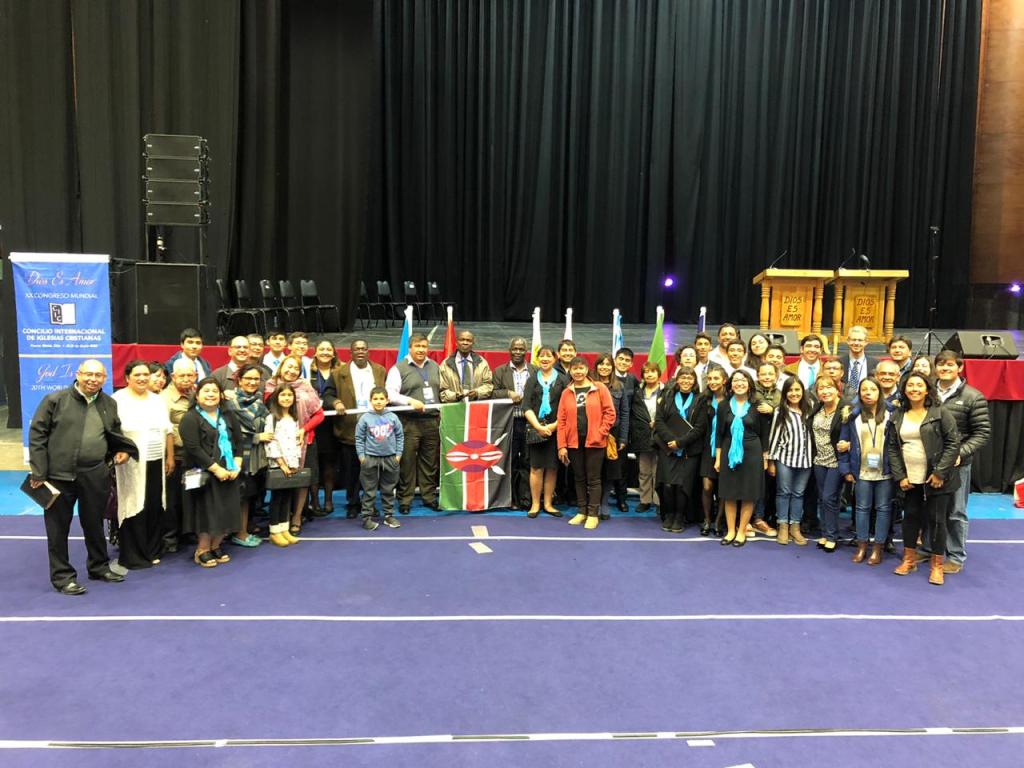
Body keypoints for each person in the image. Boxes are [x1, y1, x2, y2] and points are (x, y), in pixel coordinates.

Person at [29, 360, 137, 594]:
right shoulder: (55, 400)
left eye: (98, 375)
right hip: (58, 476)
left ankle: (98, 567)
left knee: (94, 524)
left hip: (95, 474)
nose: (93, 379)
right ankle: (63, 577)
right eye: (88, 374)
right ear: (78, 374)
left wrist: (122, 450)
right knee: (58, 529)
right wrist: (39, 471)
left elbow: (114, 432)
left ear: (105, 378)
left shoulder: (109, 403)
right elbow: (37, 435)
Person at [888, 372, 961, 585]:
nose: (914, 389)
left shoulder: (940, 413)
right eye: (910, 385)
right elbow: (892, 448)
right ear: (904, 390)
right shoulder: (898, 415)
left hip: (936, 479)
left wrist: (940, 473)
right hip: (910, 479)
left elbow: (953, 444)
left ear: (927, 389)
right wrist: (900, 476)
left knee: (937, 520)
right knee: (910, 517)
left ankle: (936, 566)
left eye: (919, 385)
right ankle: (909, 560)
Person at [930, 349, 990, 573]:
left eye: (950, 365)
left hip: (958, 465)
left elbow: (982, 433)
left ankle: (955, 556)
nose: (944, 368)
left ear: (960, 367)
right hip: (929, 462)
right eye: (941, 364)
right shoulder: (928, 392)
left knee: (956, 511)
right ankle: (928, 550)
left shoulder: (973, 396)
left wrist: (959, 453)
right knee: (929, 509)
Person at [112, 360, 174, 570]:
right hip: (131, 463)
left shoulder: (157, 400)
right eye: (137, 375)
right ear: (127, 378)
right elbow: (113, 432)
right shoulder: (118, 399)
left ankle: (153, 549)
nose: (142, 378)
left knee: (154, 504)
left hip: (156, 461)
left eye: (146, 374)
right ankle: (134, 555)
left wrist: (170, 457)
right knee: (134, 504)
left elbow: (168, 430)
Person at [178, 378, 244, 567]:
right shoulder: (190, 418)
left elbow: (239, 441)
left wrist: (237, 464)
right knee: (206, 513)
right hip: (204, 473)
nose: (211, 395)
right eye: (206, 391)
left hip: (229, 471)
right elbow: (194, 448)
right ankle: (203, 549)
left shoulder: (228, 416)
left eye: (215, 391)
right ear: (197, 395)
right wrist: (216, 469)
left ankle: (216, 545)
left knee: (226, 510)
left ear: (221, 395)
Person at [264, 356, 325, 534]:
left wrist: (303, 430)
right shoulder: (270, 386)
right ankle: (280, 522)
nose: (292, 371)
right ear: (281, 366)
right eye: (288, 366)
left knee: (301, 481)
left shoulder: (305, 386)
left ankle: (297, 516)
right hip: (278, 443)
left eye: (296, 368)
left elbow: (319, 414)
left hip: (304, 441)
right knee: (282, 482)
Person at [838, 377, 894, 565]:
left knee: (883, 509)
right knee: (861, 509)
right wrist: (845, 469)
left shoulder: (893, 413)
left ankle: (878, 548)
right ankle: (862, 546)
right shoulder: (851, 415)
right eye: (864, 390)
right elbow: (843, 443)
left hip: (885, 471)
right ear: (859, 393)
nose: (868, 393)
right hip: (861, 470)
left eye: (872, 389)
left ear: (880, 392)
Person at [385, 332, 442, 513]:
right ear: (410, 348)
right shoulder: (398, 369)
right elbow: (390, 394)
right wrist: (409, 401)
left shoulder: (435, 366)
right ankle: (405, 500)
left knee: (430, 462)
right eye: (417, 346)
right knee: (407, 463)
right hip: (408, 422)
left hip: (432, 422)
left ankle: (429, 497)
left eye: (424, 346)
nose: (421, 350)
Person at [557, 357, 616, 530]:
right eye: (574, 369)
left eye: (581, 368)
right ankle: (581, 511)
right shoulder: (566, 392)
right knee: (579, 477)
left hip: (595, 441)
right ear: (570, 371)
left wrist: (601, 432)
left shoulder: (600, 388)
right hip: (574, 442)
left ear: (587, 369)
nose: (578, 371)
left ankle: (593, 514)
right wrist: (562, 445)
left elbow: (610, 413)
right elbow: (561, 420)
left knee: (594, 479)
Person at [332, 339, 387, 517]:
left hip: (375, 429)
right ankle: (353, 503)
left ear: (368, 351)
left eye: (364, 348)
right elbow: (329, 394)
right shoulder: (339, 373)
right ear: (351, 352)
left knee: (371, 470)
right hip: (350, 428)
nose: (361, 351)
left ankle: (369, 503)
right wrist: (336, 402)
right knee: (352, 470)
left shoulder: (379, 370)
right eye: (357, 349)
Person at [714, 370, 768, 546]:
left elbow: (764, 434)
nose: (739, 383)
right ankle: (730, 531)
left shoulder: (758, 405)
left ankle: (742, 531)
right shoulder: (723, 406)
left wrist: (765, 458)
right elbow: (719, 434)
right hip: (729, 452)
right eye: (736, 380)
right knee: (729, 493)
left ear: (750, 384)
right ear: (730, 385)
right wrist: (718, 458)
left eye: (743, 380)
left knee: (748, 494)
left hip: (752, 452)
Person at [654, 366, 707, 532]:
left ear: (694, 381)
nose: (686, 381)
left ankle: (679, 516)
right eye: (683, 377)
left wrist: (680, 443)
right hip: (668, 448)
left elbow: (700, 428)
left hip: (689, 451)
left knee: (683, 486)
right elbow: (659, 421)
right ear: (677, 380)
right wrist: (671, 440)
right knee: (668, 485)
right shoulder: (667, 397)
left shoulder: (700, 400)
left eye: (690, 378)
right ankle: (669, 514)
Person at [223, 363, 271, 547]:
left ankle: (244, 529)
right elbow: (232, 433)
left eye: (256, 379)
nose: (252, 382)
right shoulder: (230, 403)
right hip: (239, 457)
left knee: (250, 495)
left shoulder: (259, 401)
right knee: (240, 497)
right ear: (239, 380)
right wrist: (257, 437)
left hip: (257, 458)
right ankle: (238, 533)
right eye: (248, 378)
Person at [767, 377, 814, 546]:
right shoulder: (780, 411)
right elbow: (774, 437)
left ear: (803, 391)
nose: (794, 393)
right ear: (785, 393)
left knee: (798, 493)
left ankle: (795, 527)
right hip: (785, 458)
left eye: (797, 390)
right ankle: (783, 525)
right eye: (790, 390)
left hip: (806, 460)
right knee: (784, 492)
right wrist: (771, 462)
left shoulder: (810, 409)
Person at [522, 346, 567, 517]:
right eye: (542, 356)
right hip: (536, 430)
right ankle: (535, 504)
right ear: (537, 358)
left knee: (552, 468)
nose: (545, 359)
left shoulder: (563, 379)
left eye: (549, 356)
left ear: (555, 359)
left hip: (556, 429)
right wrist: (539, 427)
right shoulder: (532, 379)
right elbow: (526, 406)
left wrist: (553, 426)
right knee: (536, 468)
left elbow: (567, 408)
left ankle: (548, 504)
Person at [491, 337, 535, 509]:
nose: (518, 352)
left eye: (521, 349)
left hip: (530, 423)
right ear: (509, 351)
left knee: (528, 461)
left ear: (526, 351)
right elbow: (492, 393)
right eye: (515, 349)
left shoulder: (535, 370)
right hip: (509, 422)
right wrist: (508, 394)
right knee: (510, 461)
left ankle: (526, 498)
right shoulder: (500, 371)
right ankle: (512, 499)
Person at [161, 359, 198, 553]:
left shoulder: (198, 394)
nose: (186, 379)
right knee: (172, 500)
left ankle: (188, 531)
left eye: (190, 375)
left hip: (194, 457)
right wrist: (169, 457)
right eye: (181, 375)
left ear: (195, 376)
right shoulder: (163, 398)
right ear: (173, 377)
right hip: (174, 456)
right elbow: (164, 430)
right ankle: (170, 537)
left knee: (190, 497)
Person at [355, 387, 405, 530]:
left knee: (388, 489)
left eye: (382, 398)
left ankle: (389, 515)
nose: (378, 401)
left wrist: (398, 455)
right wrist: (362, 457)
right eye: (375, 399)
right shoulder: (365, 418)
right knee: (369, 490)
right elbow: (359, 438)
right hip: (370, 459)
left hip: (390, 459)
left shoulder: (393, 417)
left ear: (387, 400)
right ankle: (366, 518)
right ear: (370, 401)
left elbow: (400, 436)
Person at [264, 385, 304, 547]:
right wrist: (281, 463)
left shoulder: (294, 418)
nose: (286, 398)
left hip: (291, 463)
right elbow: (271, 442)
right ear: (276, 398)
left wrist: (295, 462)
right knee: (277, 498)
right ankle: (274, 531)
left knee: (287, 497)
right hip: (278, 464)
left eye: (289, 395)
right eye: (283, 395)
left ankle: (284, 528)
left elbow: (296, 442)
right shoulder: (272, 418)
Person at [592, 353, 630, 519]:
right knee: (594, 470)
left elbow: (625, 413)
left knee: (610, 471)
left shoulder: (619, 386)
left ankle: (604, 502)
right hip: (593, 433)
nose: (604, 367)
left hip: (613, 435)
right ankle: (594, 503)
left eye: (608, 364)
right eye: (601, 364)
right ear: (596, 366)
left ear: (612, 368)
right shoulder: (589, 384)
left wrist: (623, 438)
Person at [809, 376, 844, 552]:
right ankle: (825, 532)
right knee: (822, 498)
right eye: (821, 388)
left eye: (829, 387)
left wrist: (848, 444)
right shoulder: (817, 408)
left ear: (837, 389)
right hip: (819, 460)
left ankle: (832, 536)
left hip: (836, 461)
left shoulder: (845, 409)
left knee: (830, 498)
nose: (825, 391)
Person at [309, 339, 341, 515]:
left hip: (332, 423)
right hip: (312, 423)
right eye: (322, 349)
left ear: (334, 353)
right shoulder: (307, 370)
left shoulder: (341, 371)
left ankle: (329, 500)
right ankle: (314, 501)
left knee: (329, 463)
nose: (325, 352)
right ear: (315, 352)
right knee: (313, 463)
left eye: (329, 349)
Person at [629, 361, 664, 513]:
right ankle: (645, 500)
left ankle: (658, 501)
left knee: (658, 471)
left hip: (660, 436)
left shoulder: (666, 391)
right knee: (644, 471)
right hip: (641, 436)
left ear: (658, 373)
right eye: (646, 372)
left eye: (653, 371)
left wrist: (658, 423)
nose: (649, 374)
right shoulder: (638, 392)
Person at [699, 365, 728, 536]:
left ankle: (718, 521)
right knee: (707, 486)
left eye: (716, 378)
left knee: (723, 487)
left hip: (727, 447)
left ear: (724, 380)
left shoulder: (732, 399)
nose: (712, 382)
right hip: (707, 448)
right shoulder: (704, 399)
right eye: (709, 379)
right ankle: (707, 519)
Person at [612, 347, 639, 511]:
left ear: (631, 364)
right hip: (607, 428)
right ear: (615, 360)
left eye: (627, 360)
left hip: (624, 428)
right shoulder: (607, 377)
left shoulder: (633, 380)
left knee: (621, 466)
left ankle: (621, 498)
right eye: (621, 359)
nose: (623, 362)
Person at [440, 330, 494, 402]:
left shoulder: (482, 363)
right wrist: (456, 396)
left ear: (473, 343)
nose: (465, 343)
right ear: (456, 342)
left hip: (475, 406)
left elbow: (488, 385)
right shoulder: (446, 364)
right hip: (455, 406)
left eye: (468, 340)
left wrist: (477, 393)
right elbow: (442, 391)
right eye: (462, 340)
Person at [838, 325, 877, 389]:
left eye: (860, 340)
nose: (856, 343)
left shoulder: (875, 364)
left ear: (866, 342)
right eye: (853, 340)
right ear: (848, 341)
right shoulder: (839, 362)